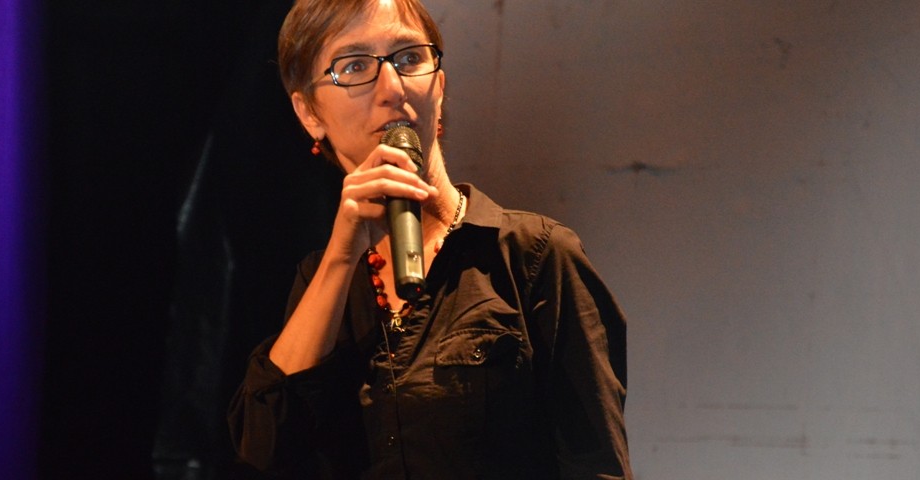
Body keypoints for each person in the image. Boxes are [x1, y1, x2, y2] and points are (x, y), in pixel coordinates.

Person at [227, 0, 632, 477]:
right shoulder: (320, 281)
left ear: (438, 86)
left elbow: (596, 464)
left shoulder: (534, 255)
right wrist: (340, 258)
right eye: (355, 66)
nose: (392, 88)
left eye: (408, 58)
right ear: (309, 112)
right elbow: (263, 450)